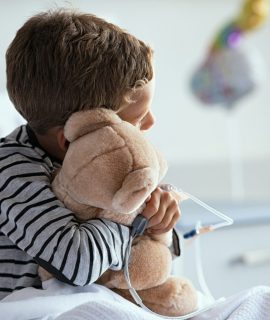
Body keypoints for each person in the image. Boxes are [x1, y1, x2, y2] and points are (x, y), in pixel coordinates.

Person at [0, 9, 181, 301]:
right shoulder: (11, 171)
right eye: (134, 120)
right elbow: (77, 262)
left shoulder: (114, 164)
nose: (150, 124)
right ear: (72, 137)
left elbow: (142, 266)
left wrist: (160, 228)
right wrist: (135, 223)